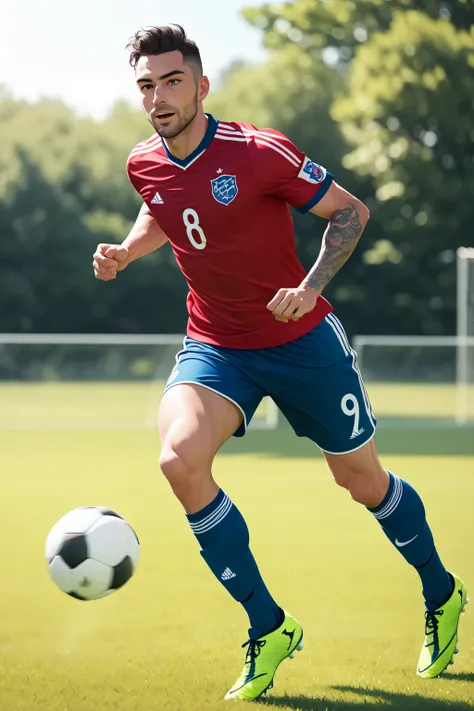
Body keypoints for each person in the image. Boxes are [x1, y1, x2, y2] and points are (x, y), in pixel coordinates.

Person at [92, 24, 467, 702]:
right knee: (178, 459)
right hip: (214, 344)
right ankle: (269, 626)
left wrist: (312, 286)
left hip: (300, 341)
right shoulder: (142, 162)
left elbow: (350, 213)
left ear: (202, 86)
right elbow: (163, 213)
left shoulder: (259, 152)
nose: (159, 95)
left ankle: (442, 592)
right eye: (147, 84)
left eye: (173, 80)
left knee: (360, 479)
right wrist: (125, 249)